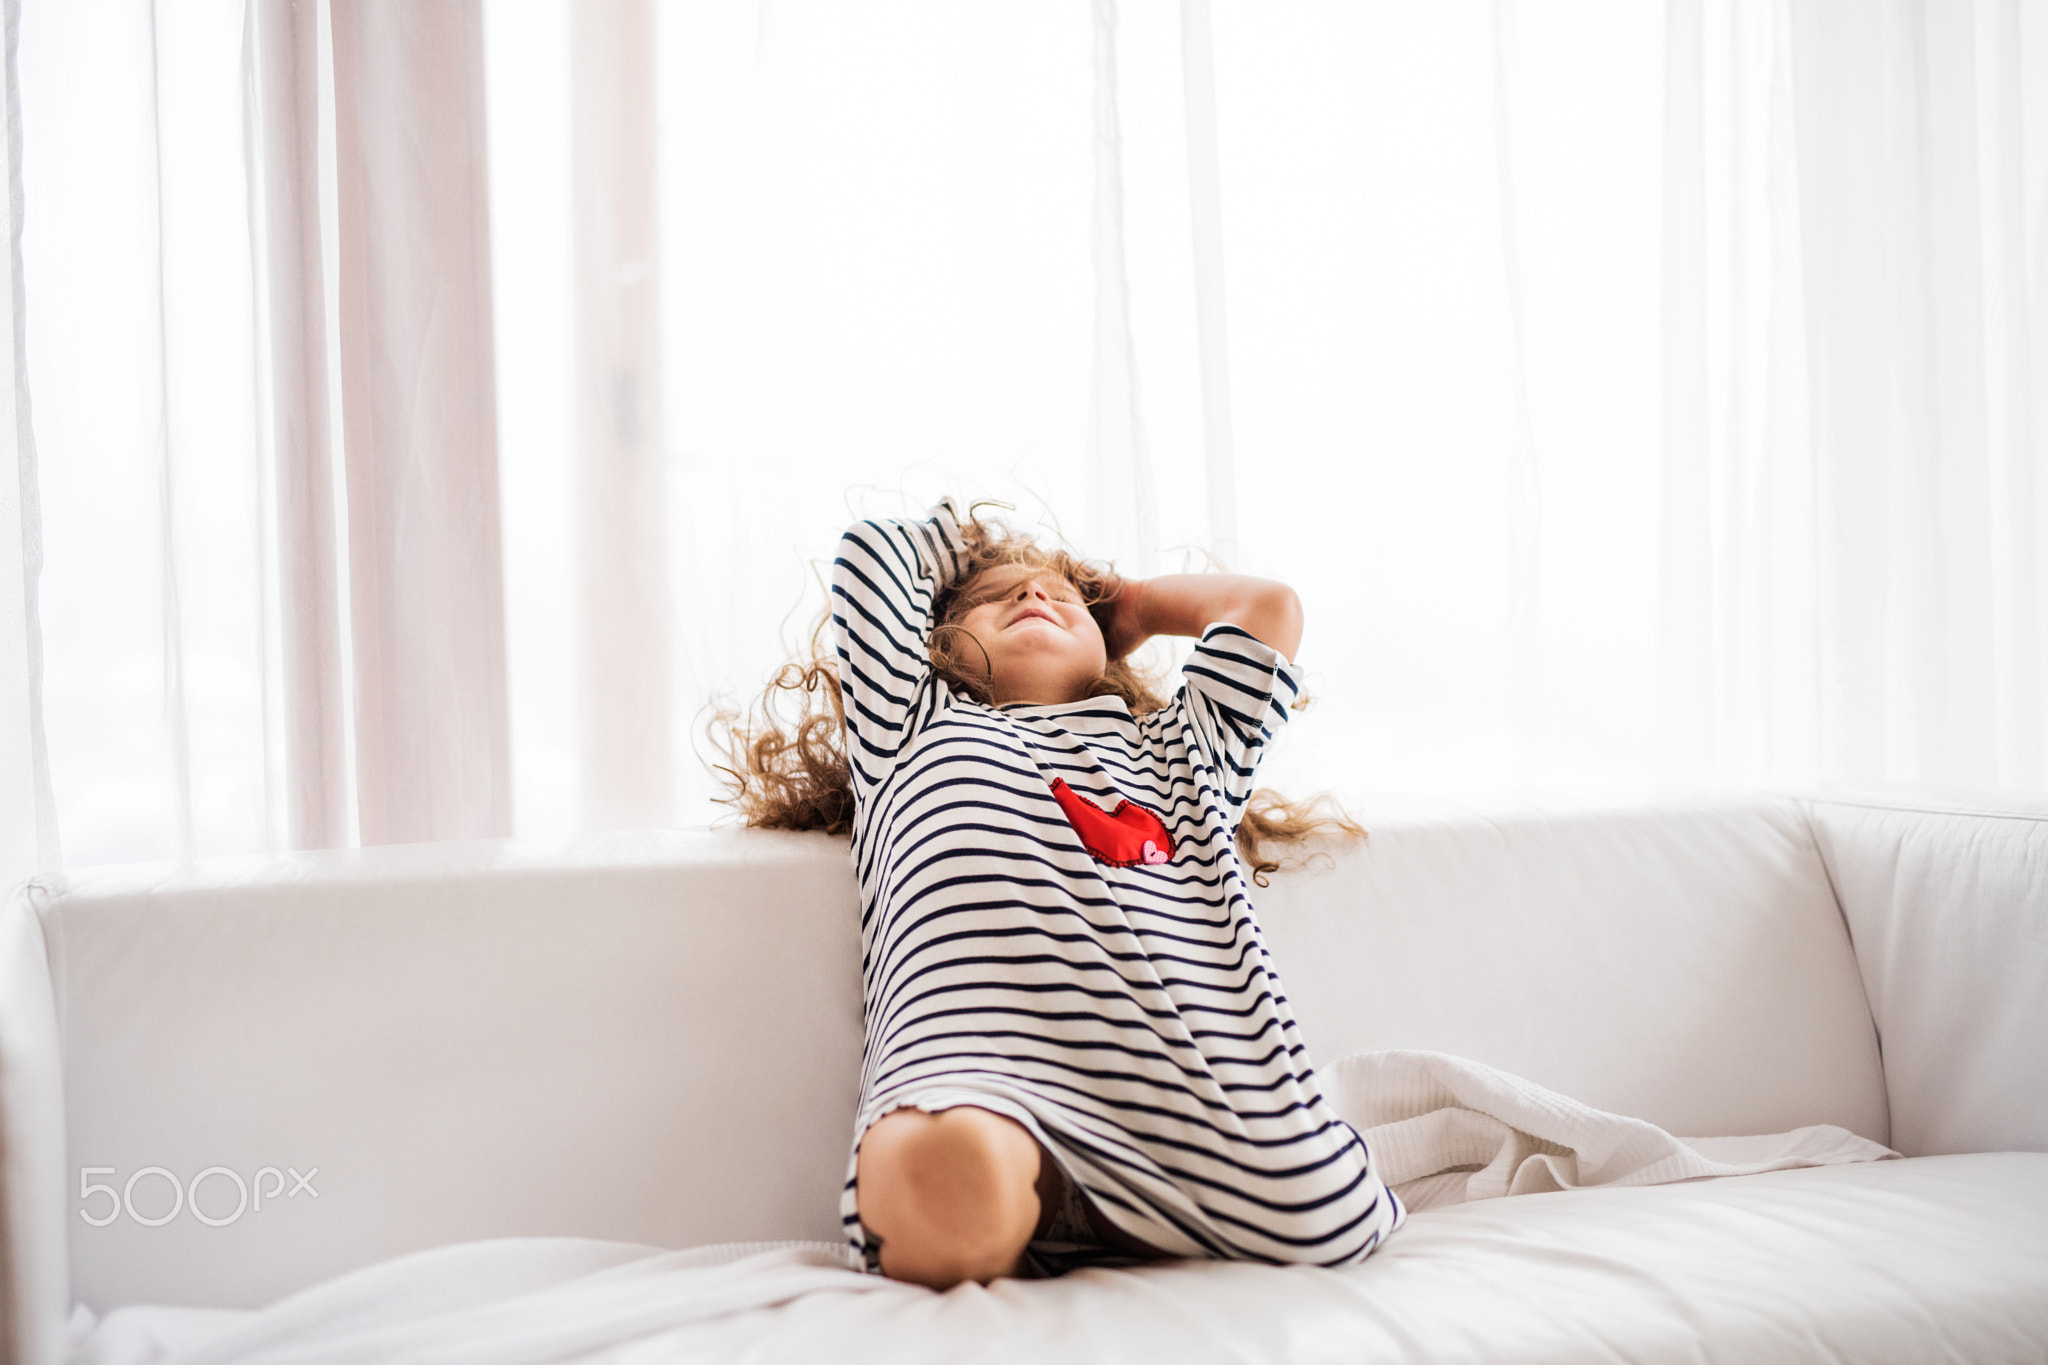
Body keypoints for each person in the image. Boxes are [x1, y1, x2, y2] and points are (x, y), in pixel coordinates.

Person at [711, 497, 1403, 1289]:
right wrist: (973, 548)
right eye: (992, 600)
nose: (1034, 596)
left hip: (1192, 1099)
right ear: (936, 641)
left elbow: (1268, 609)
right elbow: (872, 553)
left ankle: (1138, 1216)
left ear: (1106, 645)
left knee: (1324, 1211)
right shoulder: (910, 726)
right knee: (948, 1180)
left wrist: (1136, 602)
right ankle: (1023, 1208)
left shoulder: (1186, 749)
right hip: (991, 1082)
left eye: (1059, 596)